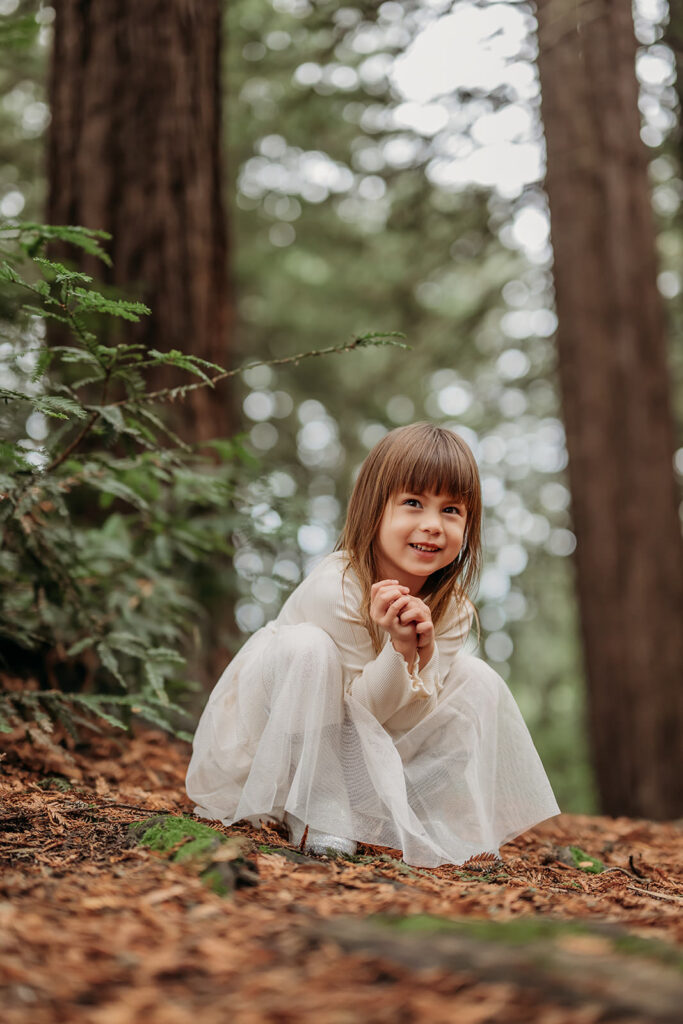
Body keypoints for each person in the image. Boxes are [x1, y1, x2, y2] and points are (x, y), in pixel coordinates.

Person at [186, 423, 559, 867]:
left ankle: (415, 815)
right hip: (285, 751)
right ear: (373, 508)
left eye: (452, 510)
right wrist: (399, 652)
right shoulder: (338, 587)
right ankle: (313, 809)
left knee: (477, 678)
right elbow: (350, 717)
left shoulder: (452, 609)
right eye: (413, 503)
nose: (432, 526)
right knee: (309, 648)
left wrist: (414, 652)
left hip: (365, 757)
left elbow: (409, 713)